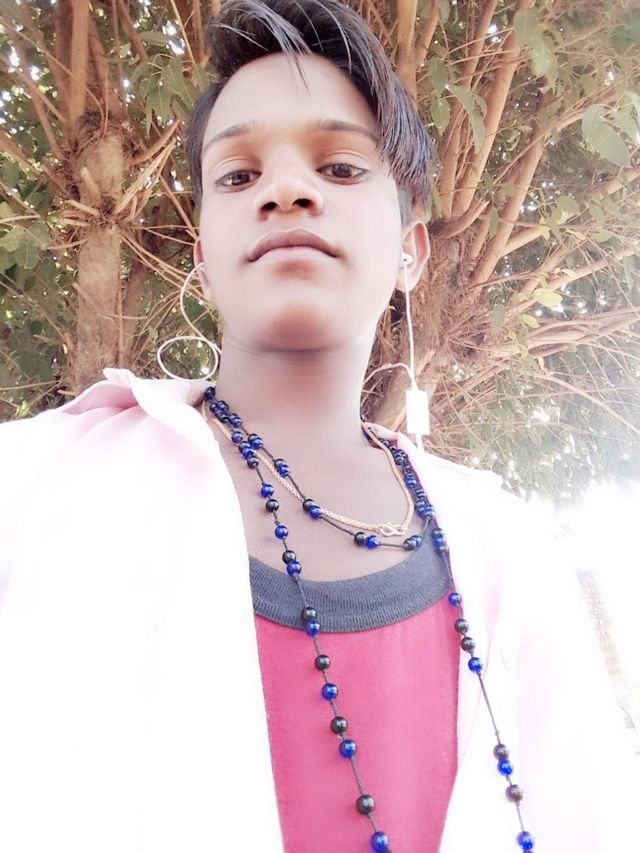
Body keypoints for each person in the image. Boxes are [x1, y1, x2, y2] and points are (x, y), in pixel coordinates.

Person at [0, 1, 637, 851]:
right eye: (237, 176)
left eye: (339, 167)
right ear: (202, 256)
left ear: (411, 249)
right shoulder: (32, 487)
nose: (285, 189)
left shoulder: (510, 553)